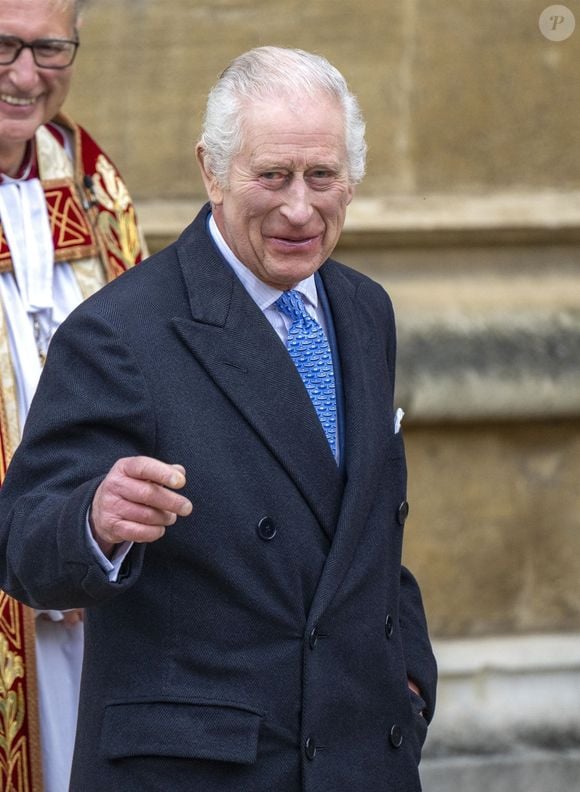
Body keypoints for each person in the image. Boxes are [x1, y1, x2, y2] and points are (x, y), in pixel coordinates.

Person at [0, 46, 436, 791]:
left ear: (352, 179)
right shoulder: (122, 332)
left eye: (321, 176)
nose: (300, 208)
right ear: (212, 171)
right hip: (205, 766)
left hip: (359, 750)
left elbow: (362, 528)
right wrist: (94, 521)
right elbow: (21, 542)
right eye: (272, 176)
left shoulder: (366, 310)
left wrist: (410, 672)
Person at [0, 0, 146, 789]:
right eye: (3, 48)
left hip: (97, 570)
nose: (27, 77)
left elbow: (154, 368)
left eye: (51, 49)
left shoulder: (89, 173)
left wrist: (92, 538)